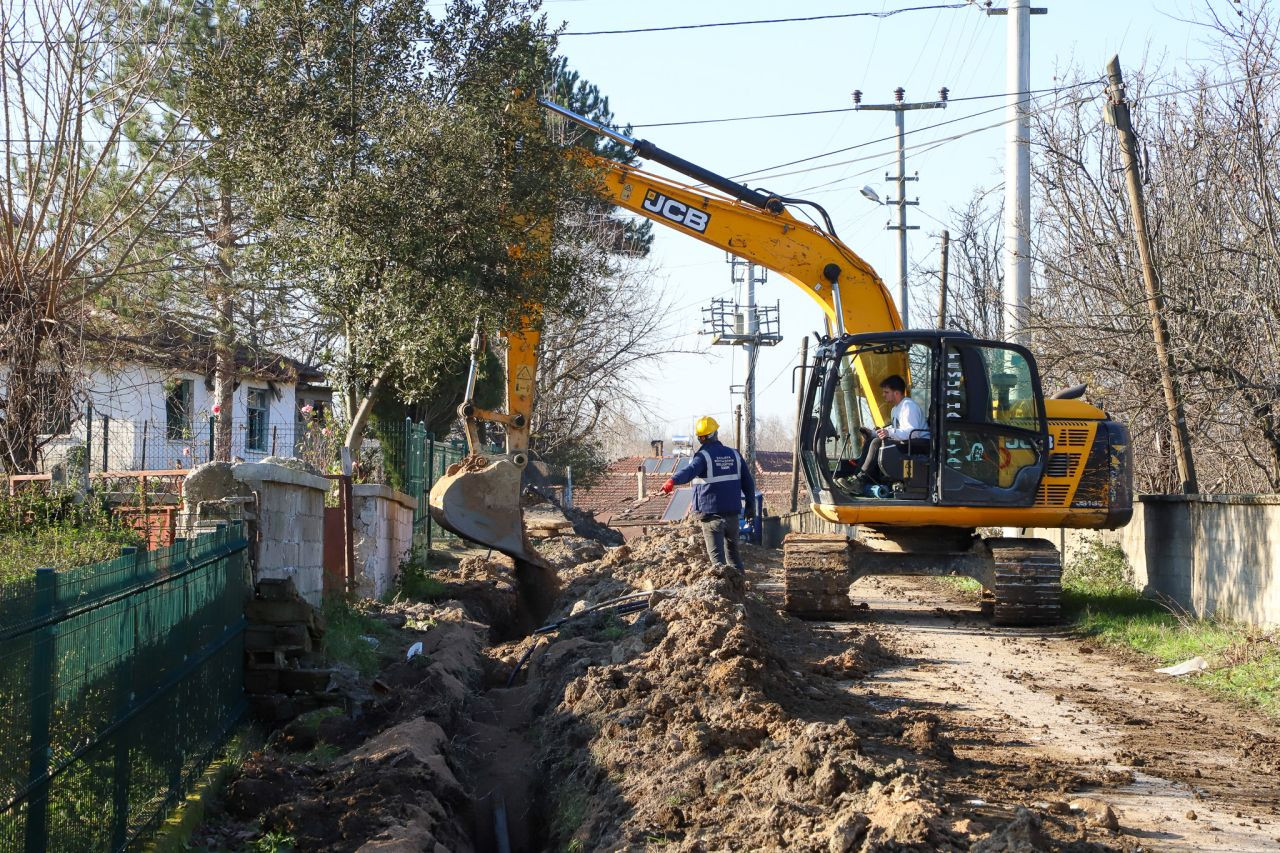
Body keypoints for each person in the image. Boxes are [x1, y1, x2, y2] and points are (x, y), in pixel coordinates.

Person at [661, 416, 756, 573]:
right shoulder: (735, 454)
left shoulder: (703, 456)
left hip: (712, 518)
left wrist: (673, 480)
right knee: (734, 557)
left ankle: (723, 588)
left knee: (718, 564)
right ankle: (740, 586)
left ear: (701, 438)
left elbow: (689, 471)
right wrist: (751, 506)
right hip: (732, 517)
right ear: (715, 433)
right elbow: (748, 483)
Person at [852, 374, 930, 489]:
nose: (883, 395)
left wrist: (889, 433)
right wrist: (873, 434)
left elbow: (913, 433)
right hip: (908, 442)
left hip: (919, 444)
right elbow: (898, 431)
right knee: (871, 441)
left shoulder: (908, 406)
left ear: (897, 393)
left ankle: (861, 479)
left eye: (886, 392)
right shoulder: (895, 409)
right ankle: (859, 478)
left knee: (877, 443)